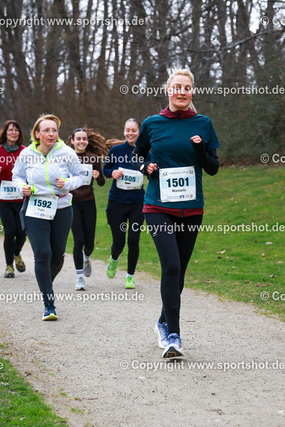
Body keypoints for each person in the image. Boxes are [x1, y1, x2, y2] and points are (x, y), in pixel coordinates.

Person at [134, 69, 220, 358]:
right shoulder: (152, 123)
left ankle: (162, 321)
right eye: (177, 87)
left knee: (179, 271)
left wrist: (201, 149)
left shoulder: (203, 123)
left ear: (192, 92)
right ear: (168, 91)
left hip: (192, 207)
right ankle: (173, 335)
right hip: (157, 205)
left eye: (187, 87)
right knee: (170, 266)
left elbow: (213, 167)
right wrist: (145, 167)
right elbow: (138, 155)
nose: (182, 92)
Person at [11, 114, 86, 320]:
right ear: (37, 134)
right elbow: (16, 176)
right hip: (35, 207)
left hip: (61, 207)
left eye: (54, 130)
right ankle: (49, 304)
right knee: (42, 253)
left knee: (57, 256)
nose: (51, 134)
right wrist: (22, 187)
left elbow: (81, 176)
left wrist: (67, 184)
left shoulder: (67, 152)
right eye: (46, 130)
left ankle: (45, 282)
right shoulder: (27, 153)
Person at [102, 119, 150, 289]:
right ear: (124, 132)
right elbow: (106, 170)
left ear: (139, 132)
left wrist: (150, 170)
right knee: (119, 242)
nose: (130, 133)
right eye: (127, 130)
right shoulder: (116, 150)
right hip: (117, 202)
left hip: (137, 202)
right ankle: (114, 258)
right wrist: (112, 172)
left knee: (134, 239)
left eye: (134, 130)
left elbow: (151, 171)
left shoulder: (145, 151)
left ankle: (130, 276)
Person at [0, 120, 27, 278]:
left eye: (16, 130)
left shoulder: (25, 151)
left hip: (21, 198)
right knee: (10, 232)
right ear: (5, 133)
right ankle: (9, 266)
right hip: (4, 199)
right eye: (11, 130)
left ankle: (16, 253)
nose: (14, 133)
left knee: (22, 232)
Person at [67, 127, 106, 290]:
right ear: (72, 141)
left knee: (89, 243)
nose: (81, 142)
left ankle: (86, 257)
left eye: (84, 139)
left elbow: (102, 182)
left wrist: (97, 176)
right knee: (79, 240)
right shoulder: (67, 158)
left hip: (89, 202)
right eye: (78, 139)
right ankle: (79, 278)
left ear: (87, 142)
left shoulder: (93, 158)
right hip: (72, 203)